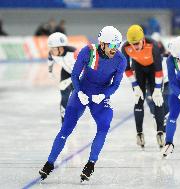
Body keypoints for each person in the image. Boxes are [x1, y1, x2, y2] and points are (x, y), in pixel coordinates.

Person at [39, 26, 126, 182]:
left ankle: (91, 163)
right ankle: (49, 163)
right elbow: (74, 75)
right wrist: (79, 92)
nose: (115, 49)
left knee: (104, 126)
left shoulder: (121, 59)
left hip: (100, 95)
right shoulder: (88, 51)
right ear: (102, 43)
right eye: (112, 45)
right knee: (66, 128)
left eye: (117, 45)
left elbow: (116, 84)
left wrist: (104, 95)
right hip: (82, 92)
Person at [122, 24, 165, 149]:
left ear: (143, 40)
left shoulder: (153, 45)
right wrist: (135, 86)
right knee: (138, 99)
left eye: (137, 43)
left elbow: (158, 69)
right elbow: (126, 68)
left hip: (153, 70)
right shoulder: (125, 47)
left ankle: (160, 131)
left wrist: (157, 89)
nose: (135, 47)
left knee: (158, 100)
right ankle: (139, 133)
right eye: (132, 44)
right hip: (138, 69)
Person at [47, 32, 77, 123]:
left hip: (79, 74)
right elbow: (50, 61)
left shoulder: (74, 53)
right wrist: (50, 71)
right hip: (66, 72)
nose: (51, 51)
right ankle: (64, 121)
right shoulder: (52, 54)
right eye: (50, 48)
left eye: (53, 49)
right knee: (64, 96)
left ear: (61, 47)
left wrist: (69, 81)